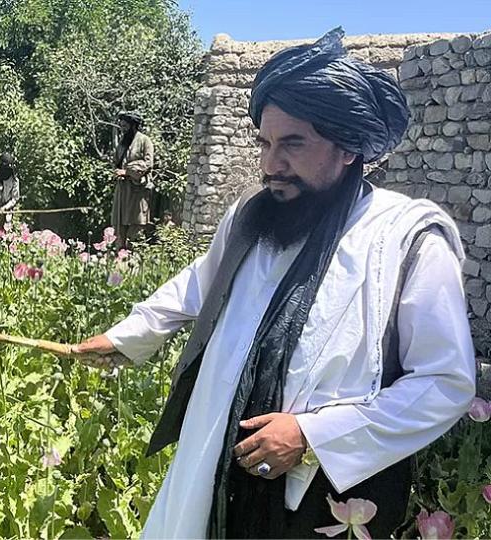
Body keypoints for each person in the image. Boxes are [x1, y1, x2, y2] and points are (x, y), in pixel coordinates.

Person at [72, 28, 475, 539]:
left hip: (322, 496)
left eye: (293, 144)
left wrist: (312, 435)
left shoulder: (408, 239)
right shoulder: (251, 217)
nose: (270, 165)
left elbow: (445, 383)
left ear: (348, 147)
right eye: (264, 143)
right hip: (221, 463)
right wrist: (129, 336)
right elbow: (203, 282)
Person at [110, 111, 155, 249]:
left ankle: (134, 259)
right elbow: (117, 162)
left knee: (136, 227)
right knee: (120, 226)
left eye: (125, 126)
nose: (123, 129)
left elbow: (148, 163)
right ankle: (120, 258)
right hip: (122, 190)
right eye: (121, 126)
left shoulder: (144, 141)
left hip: (137, 191)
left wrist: (128, 171)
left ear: (133, 125)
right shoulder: (123, 142)